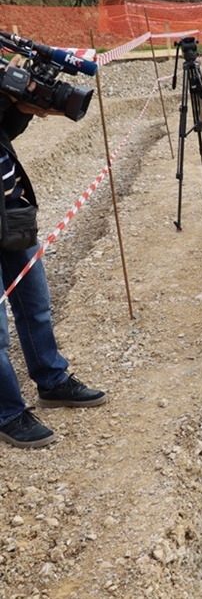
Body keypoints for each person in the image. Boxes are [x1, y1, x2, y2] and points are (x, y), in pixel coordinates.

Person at [0, 62, 107, 449]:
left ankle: (52, 380)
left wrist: (19, 109)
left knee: (35, 303)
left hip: (11, 209)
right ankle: (8, 412)